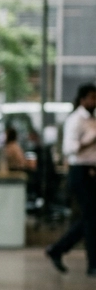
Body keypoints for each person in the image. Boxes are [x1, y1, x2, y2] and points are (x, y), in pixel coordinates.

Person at [45, 83, 96, 275]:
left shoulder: (93, 120)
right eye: (91, 97)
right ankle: (92, 264)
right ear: (82, 100)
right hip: (79, 172)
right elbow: (69, 149)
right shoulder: (75, 120)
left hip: (92, 172)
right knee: (91, 219)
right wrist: (88, 140)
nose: (94, 101)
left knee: (91, 219)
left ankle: (57, 249)